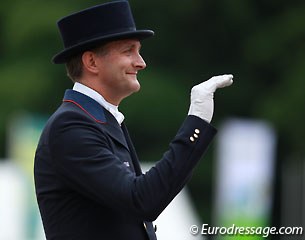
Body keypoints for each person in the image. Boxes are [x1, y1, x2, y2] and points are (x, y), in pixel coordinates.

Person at [34, 1, 233, 240]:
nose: (141, 62)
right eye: (128, 51)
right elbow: (142, 200)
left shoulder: (98, 120)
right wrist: (196, 123)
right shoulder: (70, 127)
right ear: (92, 62)